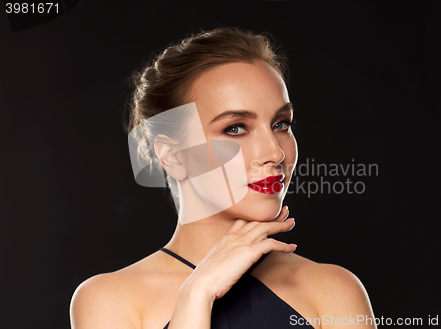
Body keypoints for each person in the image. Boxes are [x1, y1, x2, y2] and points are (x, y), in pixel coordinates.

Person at [70, 27, 376, 329]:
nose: (275, 153)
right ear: (173, 156)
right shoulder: (109, 300)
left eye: (281, 124)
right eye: (235, 128)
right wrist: (197, 294)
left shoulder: (334, 290)